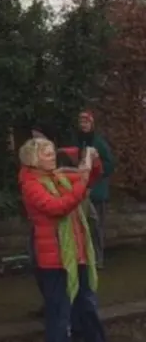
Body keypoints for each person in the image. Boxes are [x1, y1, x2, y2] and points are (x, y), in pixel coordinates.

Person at [19, 136, 106, 342]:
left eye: (52, 151)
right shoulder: (31, 185)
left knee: (87, 306)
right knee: (59, 312)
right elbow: (58, 207)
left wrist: (92, 160)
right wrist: (83, 179)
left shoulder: (59, 176)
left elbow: (90, 177)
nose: (52, 156)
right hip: (55, 261)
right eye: (46, 153)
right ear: (33, 159)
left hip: (78, 254)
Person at [76, 111, 114, 269]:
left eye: (86, 122)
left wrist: (98, 165)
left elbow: (110, 165)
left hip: (97, 192)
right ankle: (85, 257)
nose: (84, 125)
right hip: (81, 191)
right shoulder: (78, 142)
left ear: (92, 124)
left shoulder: (99, 142)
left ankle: (98, 260)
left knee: (97, 226)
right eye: (81, 122)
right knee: (83, 226)